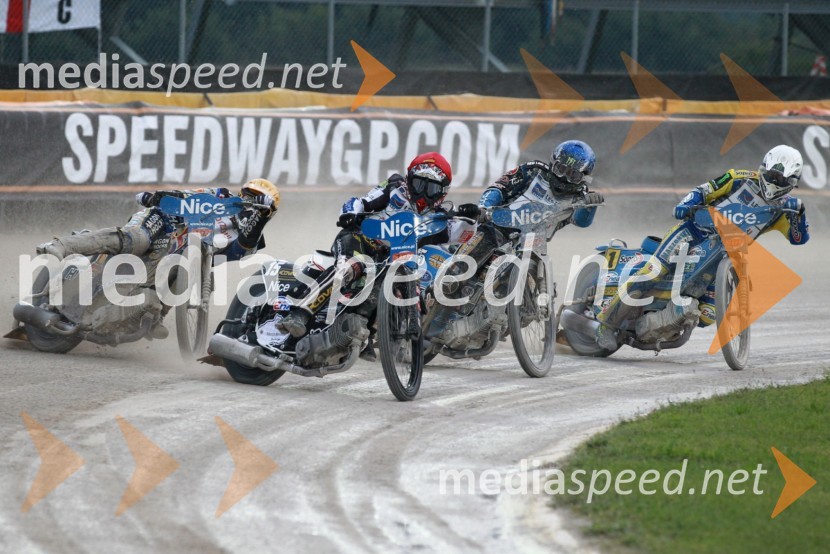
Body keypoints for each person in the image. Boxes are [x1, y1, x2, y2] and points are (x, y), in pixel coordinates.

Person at [595, 144, 810, 351]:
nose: (775, 182)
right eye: (772, 176)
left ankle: (661, 326)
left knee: (706, 314)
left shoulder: (786, 209)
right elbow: (704, 190)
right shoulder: (738, 178)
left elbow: (798, 239)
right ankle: (606, 324)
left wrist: (799, 215)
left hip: (726, 255)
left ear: (792, 182)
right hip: (694, 232)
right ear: (763, 169)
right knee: (652, 272)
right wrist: (685, 205)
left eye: (782, 179)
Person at [276, 152, 480, 360]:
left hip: (394, 257)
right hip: (361, 239)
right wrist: (349, 213)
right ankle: (300, 312)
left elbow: (461, 234)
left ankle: (368, 333)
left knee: (406, 282)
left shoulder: (441, 215)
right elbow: (360, 202)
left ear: (443, 192)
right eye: (419, 184)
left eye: (432, 188)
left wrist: (471, 218)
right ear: (409, 180)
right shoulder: (394, 188)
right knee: (351, 266)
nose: (424, 194)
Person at [37, 178, 279, 262]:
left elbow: (244, 245)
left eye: (259, 201)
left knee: (172, 289)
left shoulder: (253, 242)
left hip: (181, 259)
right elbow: (189, 195)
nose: (250, 202)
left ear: (270, 210)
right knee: (136, 239)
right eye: (249, 195)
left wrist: (260, 218)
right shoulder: (221, 195)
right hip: (163, 225)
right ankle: (61, 246)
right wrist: (158, 198)